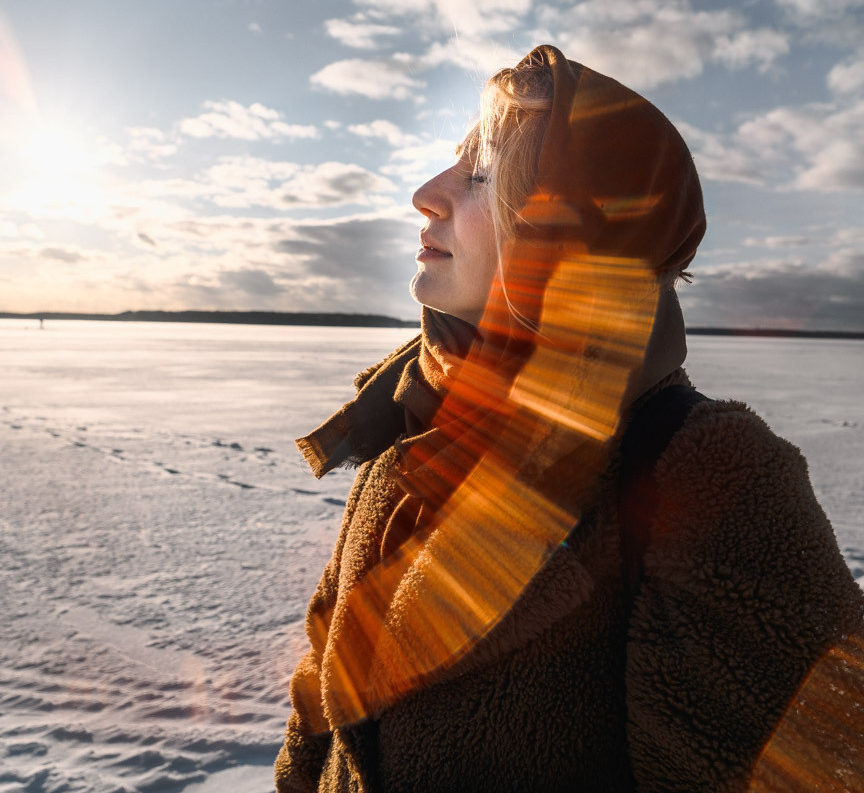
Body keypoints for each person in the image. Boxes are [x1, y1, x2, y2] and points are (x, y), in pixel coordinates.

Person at [274, 45, 864, 792]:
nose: (426, 193)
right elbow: (323, 692)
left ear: (573, 233)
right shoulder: (413, 420)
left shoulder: (712, 477)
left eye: (480, 174)